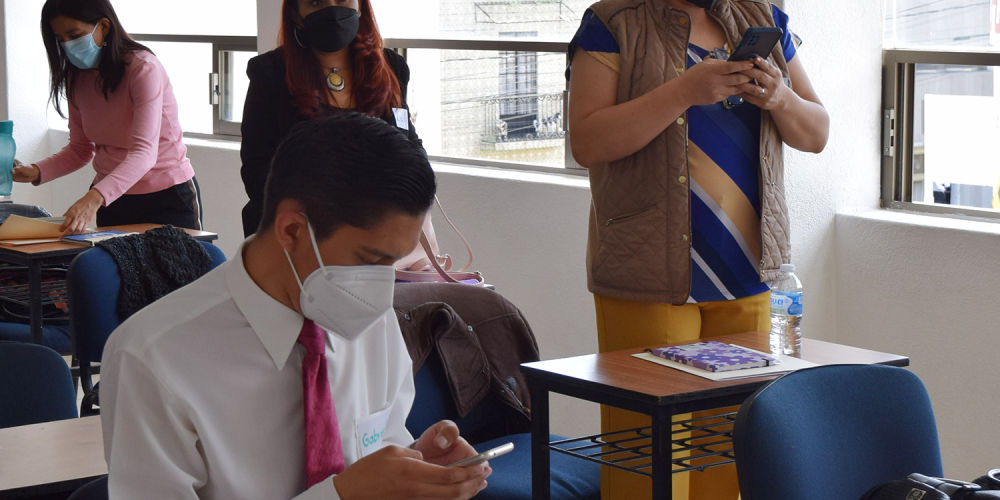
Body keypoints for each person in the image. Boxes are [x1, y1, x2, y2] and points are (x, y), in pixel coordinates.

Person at [100, 113, 491, 499]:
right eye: (371, 259)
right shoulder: (153, 358)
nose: (382, 284)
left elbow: (382, 446)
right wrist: (341, 495)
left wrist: (416, 467)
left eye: (395, 262)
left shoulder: (372, 321)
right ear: (292, 230)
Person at [566, 0, 829, 499]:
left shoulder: (763, 17)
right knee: (647, 461)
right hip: (648, 275)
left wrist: (780, 98)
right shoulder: (614, 21)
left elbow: (816, 133)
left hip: (749, 274)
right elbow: (587, 141)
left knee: (729, 456)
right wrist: (684, 91)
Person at [14, 0, 202, 234]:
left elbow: (145, 152)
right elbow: (80, 149)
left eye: (75, 35)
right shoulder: (76, 77)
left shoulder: (143, 69)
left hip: (167, 197)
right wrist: (34, 171)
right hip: (112, 200)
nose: (68, 46)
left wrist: (94, 198)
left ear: (104, 26)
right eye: (60, 39)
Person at [240, 0, 420, 239]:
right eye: (316, 2)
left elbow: (409, 148)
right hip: (298, 236)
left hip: (377, 232)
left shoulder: (391, 67)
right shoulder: (270, 72)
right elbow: (256, 171)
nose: (333, 12)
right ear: (296, 15)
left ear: (361, 6)